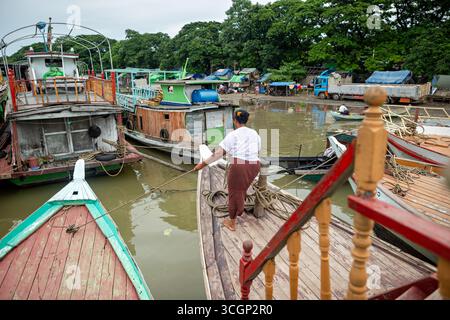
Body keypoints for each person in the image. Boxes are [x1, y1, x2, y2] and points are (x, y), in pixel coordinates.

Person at [194, 109, 261, 232]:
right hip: (255, 166)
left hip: (239, 167)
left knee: (234, 194)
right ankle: (239, 208)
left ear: (235, 121)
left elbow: (218, 154)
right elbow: (257, 151)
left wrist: (202, 165)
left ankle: (232, 222)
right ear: (246, 120)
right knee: (241, 190)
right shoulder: (254, 133)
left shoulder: (232, 135)